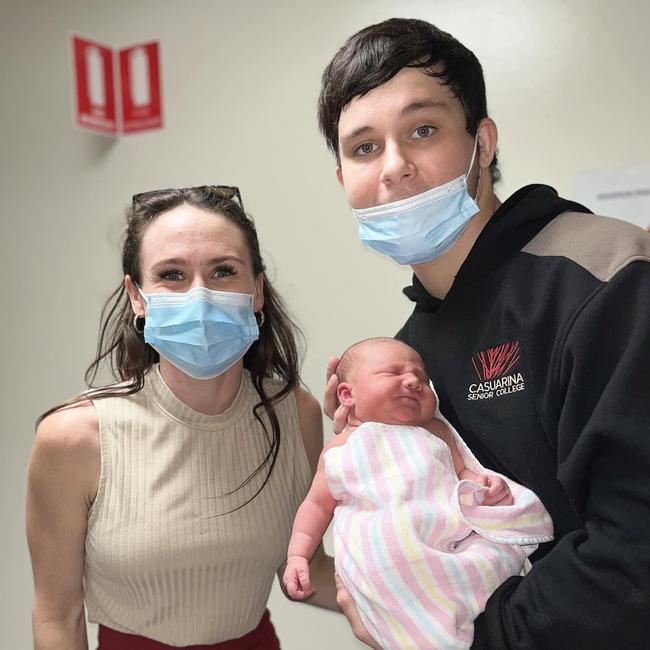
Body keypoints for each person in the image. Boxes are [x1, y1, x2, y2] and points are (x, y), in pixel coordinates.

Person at [317, 17, 650, 649]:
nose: (393, 167)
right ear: (343, 180)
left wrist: (475, 640)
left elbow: (634, 551)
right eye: (363, 148)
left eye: (422, 130)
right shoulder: (410, 349)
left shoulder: (605, 276)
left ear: (483, 142)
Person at [26, 186, 338, 650]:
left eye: (223, 271)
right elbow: (57, 614)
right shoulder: (73, 439)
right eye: (172, 274)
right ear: (137, 297)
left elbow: (308, 569)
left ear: (256, 291)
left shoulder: (296, 413)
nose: (201, 295)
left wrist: (442, 586)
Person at [283, 338, 553, 650]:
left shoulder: (436, 432)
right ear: (346, 394)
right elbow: (316, 506)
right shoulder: (342, 449)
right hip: (391, 558)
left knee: (492, 561)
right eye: (392, 373)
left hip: (448, 542)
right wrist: (298, 555)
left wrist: (485, 488)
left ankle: (473, 619)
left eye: (423, 380)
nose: (413, 381)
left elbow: (464, 473)